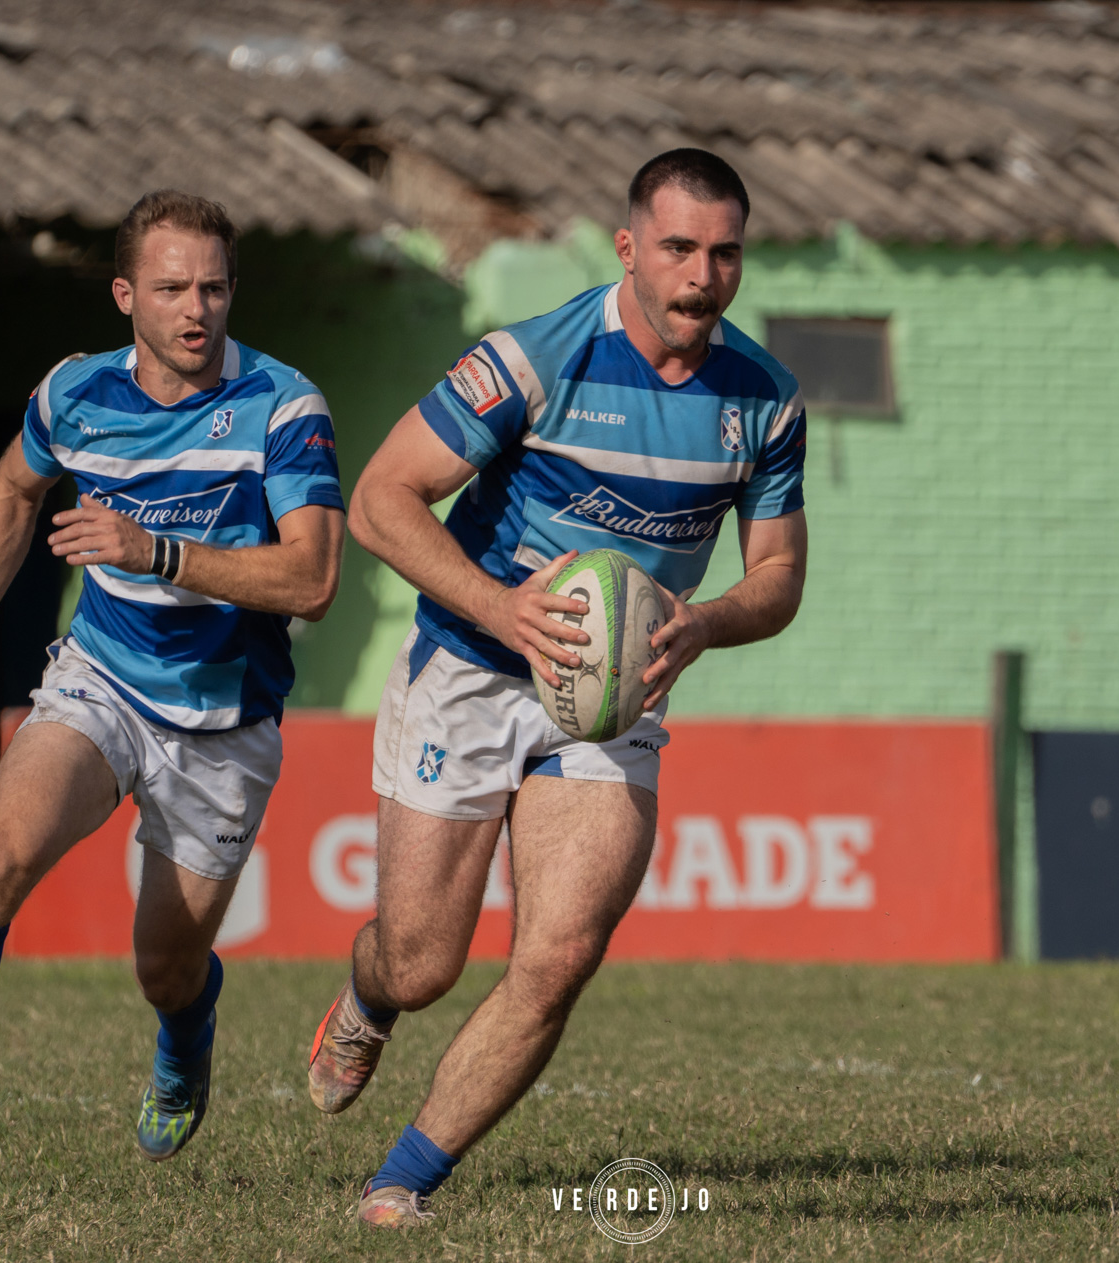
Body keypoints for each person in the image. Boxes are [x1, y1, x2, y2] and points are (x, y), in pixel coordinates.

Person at [309, 149, 809, 1228]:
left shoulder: (764, 402)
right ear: (628, 248)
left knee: (563, 952)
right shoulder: (534, 360)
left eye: (724, 254)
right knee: (423, 960)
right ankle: (367, 995)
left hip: (612, 704)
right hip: (473, 671)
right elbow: (382, 500)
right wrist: (502, 610)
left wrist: (706, 622)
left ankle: (401, 1182)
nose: (700, 276)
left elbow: (777, 580)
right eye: (677, 248)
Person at [0, 189, 346, 1188]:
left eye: (215, 288)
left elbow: (311, 577)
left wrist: (155, 549)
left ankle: (185, 1041)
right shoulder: (75, 395)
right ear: (123, 295)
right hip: (98, 679)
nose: (197, 310)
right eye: (171, 288)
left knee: (166, 967)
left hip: (223, 722)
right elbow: (12, 490)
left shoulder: (283, 405)